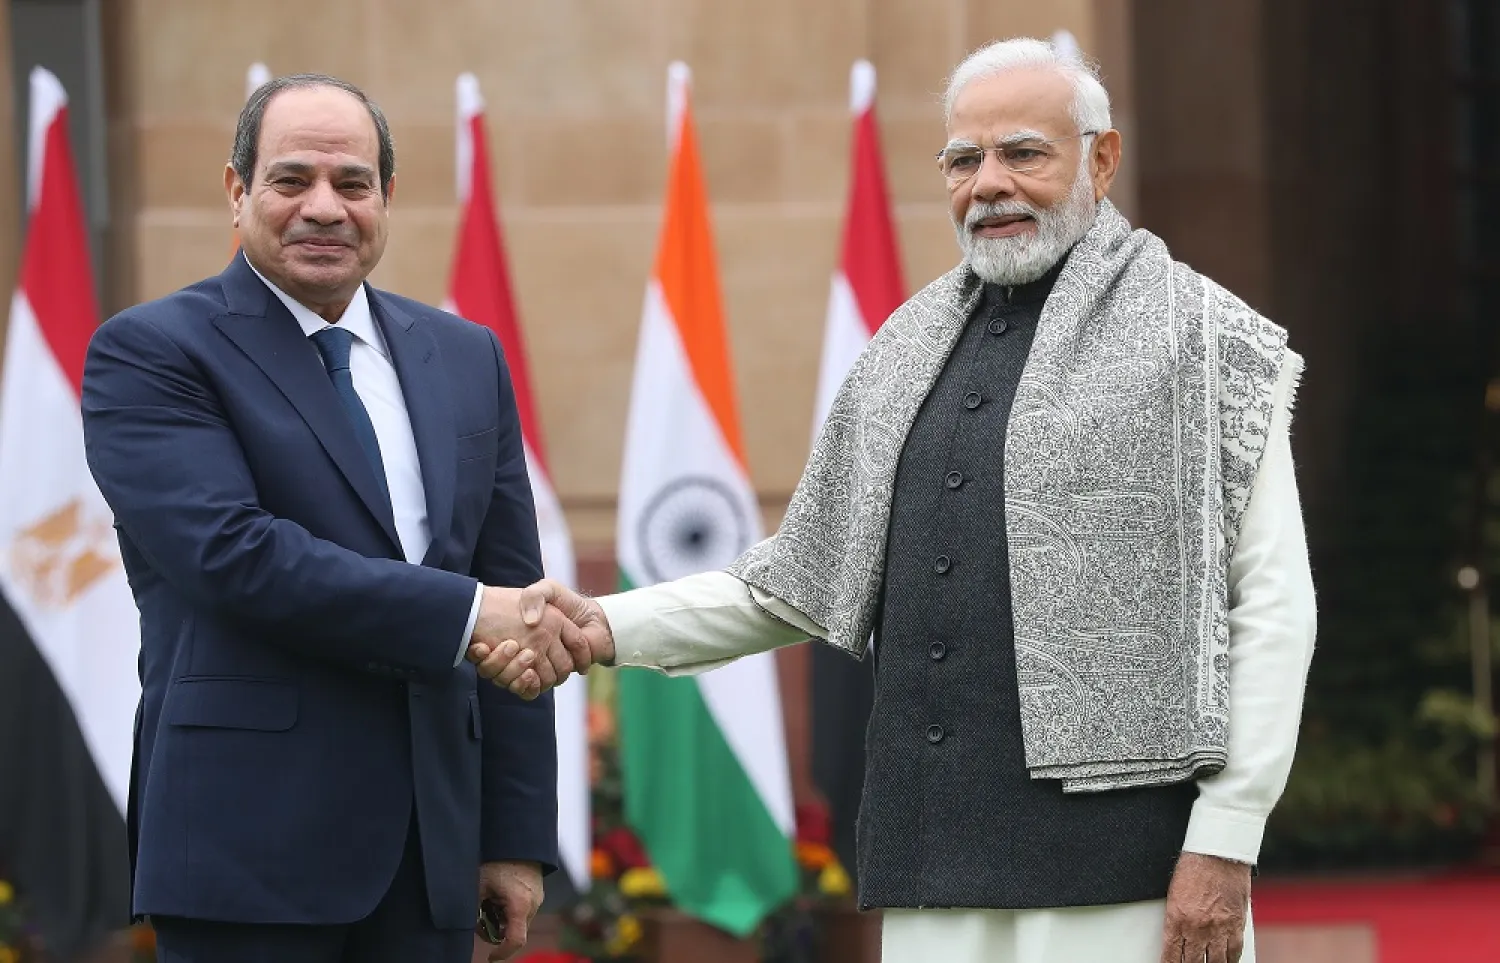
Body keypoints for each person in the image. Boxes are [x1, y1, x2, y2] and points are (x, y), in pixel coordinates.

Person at [475, 37, 1316, 963]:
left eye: (1024, 152)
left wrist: (1226, 837)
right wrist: (599, 625)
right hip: (931, 863)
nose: (989, 183)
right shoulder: (904, 348)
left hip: (1128, 872)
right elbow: (794, 582)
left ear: (1101, 158)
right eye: (964, 159)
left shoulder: (1205, 340)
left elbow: (1273, 610)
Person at [80, 74, 579, 963]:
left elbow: (515, 595)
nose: (325, 207)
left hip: (431, 857)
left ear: (387, 198)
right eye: (290, 179)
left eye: (352, 183)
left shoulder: (466, 358)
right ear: (237, 192)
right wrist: (468, 616)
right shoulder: (151, 351)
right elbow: (234, 556)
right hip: (249, 854)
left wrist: (513, 835)